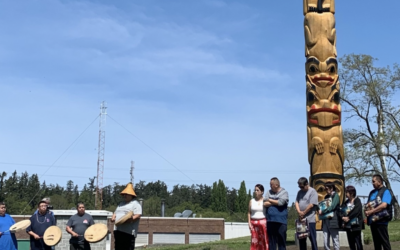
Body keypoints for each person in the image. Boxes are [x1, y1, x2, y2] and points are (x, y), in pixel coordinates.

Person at [364, 174, 392, 250]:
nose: (372, 183)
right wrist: (366, 211)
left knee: (385, 243)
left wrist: (372, 211)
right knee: (377, 244)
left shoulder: (386, 191)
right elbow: (368, 205)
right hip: (373, 221)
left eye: (374, 181)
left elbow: (384, 205)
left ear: (379, 182)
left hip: (381, 221)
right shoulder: (372, 192)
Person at [111, 182, 142, 250]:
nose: (125, 196)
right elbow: (115, 212)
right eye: (124, 194)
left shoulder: (135, 204)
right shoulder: (121, 204)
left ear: (131, 195)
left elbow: (138, 215)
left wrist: (129, 220)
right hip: (118, 231)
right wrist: (113, 217)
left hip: (128, 233)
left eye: (127, 194)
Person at [264, 177, 288, 250]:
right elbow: (264, 203)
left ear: (276, 185)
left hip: (281, 221)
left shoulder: (284, 192)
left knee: (281, 242)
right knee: (271, 242)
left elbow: (281, 203)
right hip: (270, 221)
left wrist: (270, 200)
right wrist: (275, 202)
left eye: (271, 184)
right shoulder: (268, 192)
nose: (270, 186)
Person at [295, 177, 318, 250]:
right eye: (299, 186)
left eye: (302, 186)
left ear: (307, 184)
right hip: (301, 220)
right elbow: (296, 202)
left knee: (313, 239)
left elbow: (312, 204)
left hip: (310, 220)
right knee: (301, 239)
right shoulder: (299, 192)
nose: (301, 188)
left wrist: (304, 212)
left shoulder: (312, 192)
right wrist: (299, 212)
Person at [341, 185, 364, 250]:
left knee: (358, 243)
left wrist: (348, 217)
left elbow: (356, 211)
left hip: (356, 226)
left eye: (347, 192)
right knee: (351, 243)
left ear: (352, 193)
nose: (345, 194)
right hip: (348, 226)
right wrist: (343, 218)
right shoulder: (346, 203)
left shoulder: (357, 201)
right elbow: (341, 211)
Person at [319, 182, 340, 250]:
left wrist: (323, 211)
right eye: (325, 189)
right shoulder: (326, 197)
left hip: (333, 220)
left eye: (327, 188)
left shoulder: (336, 196)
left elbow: (332, 207)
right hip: (325, 220)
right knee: (325, 239)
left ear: (331, 188)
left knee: (335, 239)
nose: (325, 190)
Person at [248, 184, 268, 250]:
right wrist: (249, 223)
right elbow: (249, 212)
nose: (255, 191)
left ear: (262, 191)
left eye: (257, 190)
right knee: (254, 240)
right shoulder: (251, 201)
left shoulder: (265, 200)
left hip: (263, 224)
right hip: (253, 223)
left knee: (264, 239)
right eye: (255, 190)